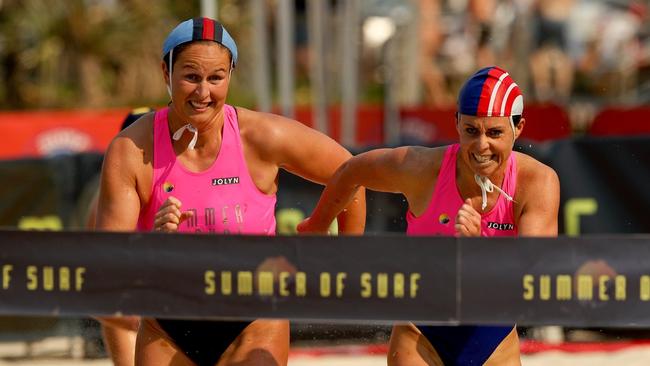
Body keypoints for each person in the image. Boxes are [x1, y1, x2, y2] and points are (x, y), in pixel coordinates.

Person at [95, 17, 365, 366]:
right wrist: (151, 243)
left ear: (230, 75)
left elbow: (352, 174)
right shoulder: (132, 149)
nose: (203, 93)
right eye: (191, 76)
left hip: (252, 320)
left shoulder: (260, 136)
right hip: (167, 325)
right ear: (166, 72)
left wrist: (342, 253)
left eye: (215, 78)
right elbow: (105, 262)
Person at [298, 65, 560, 365]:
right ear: (457, 122)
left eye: (495, 133)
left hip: (492, 340)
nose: (481, 145)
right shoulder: (422, 169)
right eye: (471, 130)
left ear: (519, 128)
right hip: (421, 333)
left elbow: (534, 277)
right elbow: (350, 171)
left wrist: (479, 250)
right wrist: (318, 226)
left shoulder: (537, 182)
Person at [86, 107, 154, 366]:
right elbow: (95, 268)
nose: (144, 149)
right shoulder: (105, 196)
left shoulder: (176, 176)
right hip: (127, 293)